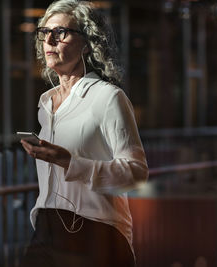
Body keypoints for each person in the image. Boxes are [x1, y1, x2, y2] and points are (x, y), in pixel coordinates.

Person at [20, 0, 148, 266]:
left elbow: (136, 173)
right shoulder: (46, 104)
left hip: (94, 231)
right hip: (46, 227)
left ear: (87, 43)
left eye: (61, 33)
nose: (50, 40)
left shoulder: (108, 97)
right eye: (45, 33)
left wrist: (70, 162)